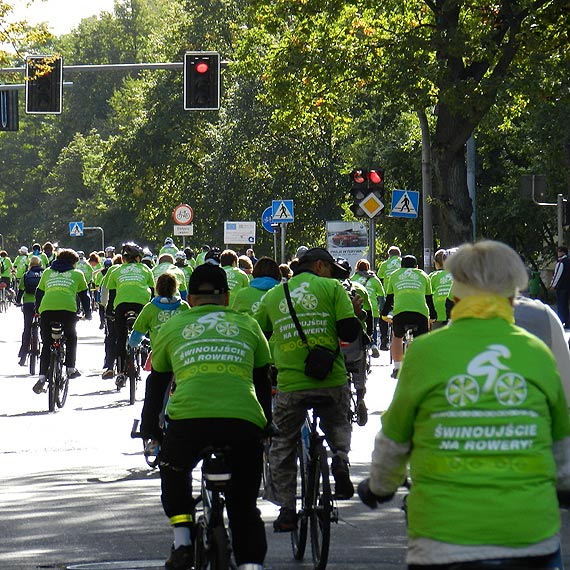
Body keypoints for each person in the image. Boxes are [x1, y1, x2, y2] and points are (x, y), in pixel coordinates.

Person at [358, 240, 570, 570]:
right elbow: (562, 444)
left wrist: (380, 486)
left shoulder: (425, 353)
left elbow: (395, 438)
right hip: (529, 536)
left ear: (455, 297)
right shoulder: (537, 353)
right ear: (512, 296)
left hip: (443, 539)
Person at [139, 264, 272, 570]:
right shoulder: (248, 325)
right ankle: (251, 565)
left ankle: (183, 540)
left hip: (189, 422)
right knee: (243, 506)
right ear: (227, 297)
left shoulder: (174, 327)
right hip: (242, 421)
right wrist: (266, 423)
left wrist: (151, 430)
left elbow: (157, 382)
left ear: (191, 297)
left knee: (173, 470)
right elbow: (262, 380)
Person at [254, 247, 364, 532]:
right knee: (339, 423)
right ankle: (340, 459)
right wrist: (353, 313)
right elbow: (349, 334)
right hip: (331, 380)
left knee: (283, 445)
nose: (332, 275)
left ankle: (288, 509)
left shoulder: (273, 296)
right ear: (319, 266)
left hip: (291, 384)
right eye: (330, 269)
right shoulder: (332, 288)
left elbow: (259, 337)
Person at [32, 248, 92, 394]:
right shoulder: (77, 274)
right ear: (73, 262)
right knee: (71, 336)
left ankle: (41, 377)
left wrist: (38, 309)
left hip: (47, 310)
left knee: (47, 343)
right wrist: (88, 314)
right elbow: (85, 296)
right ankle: (70, 368)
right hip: (67, 310)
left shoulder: (47, 272)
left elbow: (39, 292)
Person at [105, 242, 155, 389]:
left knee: (120, 338)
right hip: (141, 305)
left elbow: (112, 296)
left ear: (124, 259)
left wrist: (109, 312)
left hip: (122, 306)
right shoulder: (146, 269)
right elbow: (152, 291)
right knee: (147, 330)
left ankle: (120, 372)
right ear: (139, 258)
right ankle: (145, 346)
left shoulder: (116, 271)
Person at [381, 254, 436, 378]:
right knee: (421, 340)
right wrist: (433, 315)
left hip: (401, 313)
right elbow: (429, 299)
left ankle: (397, 368)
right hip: (420, 313)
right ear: (416, 266)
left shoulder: (395, 275)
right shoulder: (423, 275)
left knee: (397, 337)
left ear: (401, 266)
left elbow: (389, 298)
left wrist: (384, 315)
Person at [351, 258, 386, 356]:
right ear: (368, 268)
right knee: (373, 328)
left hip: (356, 308)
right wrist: (383, 310)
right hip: (372, 308)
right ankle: (373, 344)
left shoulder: (352, 279)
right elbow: (381, 296)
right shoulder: (374, 279)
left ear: (357, 268)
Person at [15, 256, 43, 367]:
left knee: (27, 328)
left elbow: (21, 290)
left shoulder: (26, 275)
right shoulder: (44, 274)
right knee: (44, 328)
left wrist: (17, 302)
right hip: (41, 303)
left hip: (28, 303)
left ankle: (23, 355)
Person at [377, 246, 402, 349]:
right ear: (399, 254)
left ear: (389, 255)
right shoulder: (402, 262)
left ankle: (384, 338)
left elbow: (380, 275)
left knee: (383, 314)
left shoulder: (385, 264)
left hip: (388, 294)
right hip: (400, 292)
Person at [428, 248, 454, 330]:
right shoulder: (456, 274)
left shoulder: (432, 276)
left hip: (437, 313)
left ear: (436, 263)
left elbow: (427, 295)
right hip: (454, 312)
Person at [549, 245, 570, 329]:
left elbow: (557, 275)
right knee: (566, 305)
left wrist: (552, 285)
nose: (558, 253)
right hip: (568, 287)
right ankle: (567, 321)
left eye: (559, 251)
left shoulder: (561, 263)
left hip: (561, 288)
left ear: (562, 252)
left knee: (561, 305)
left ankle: (562, 321)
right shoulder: (568, 261)